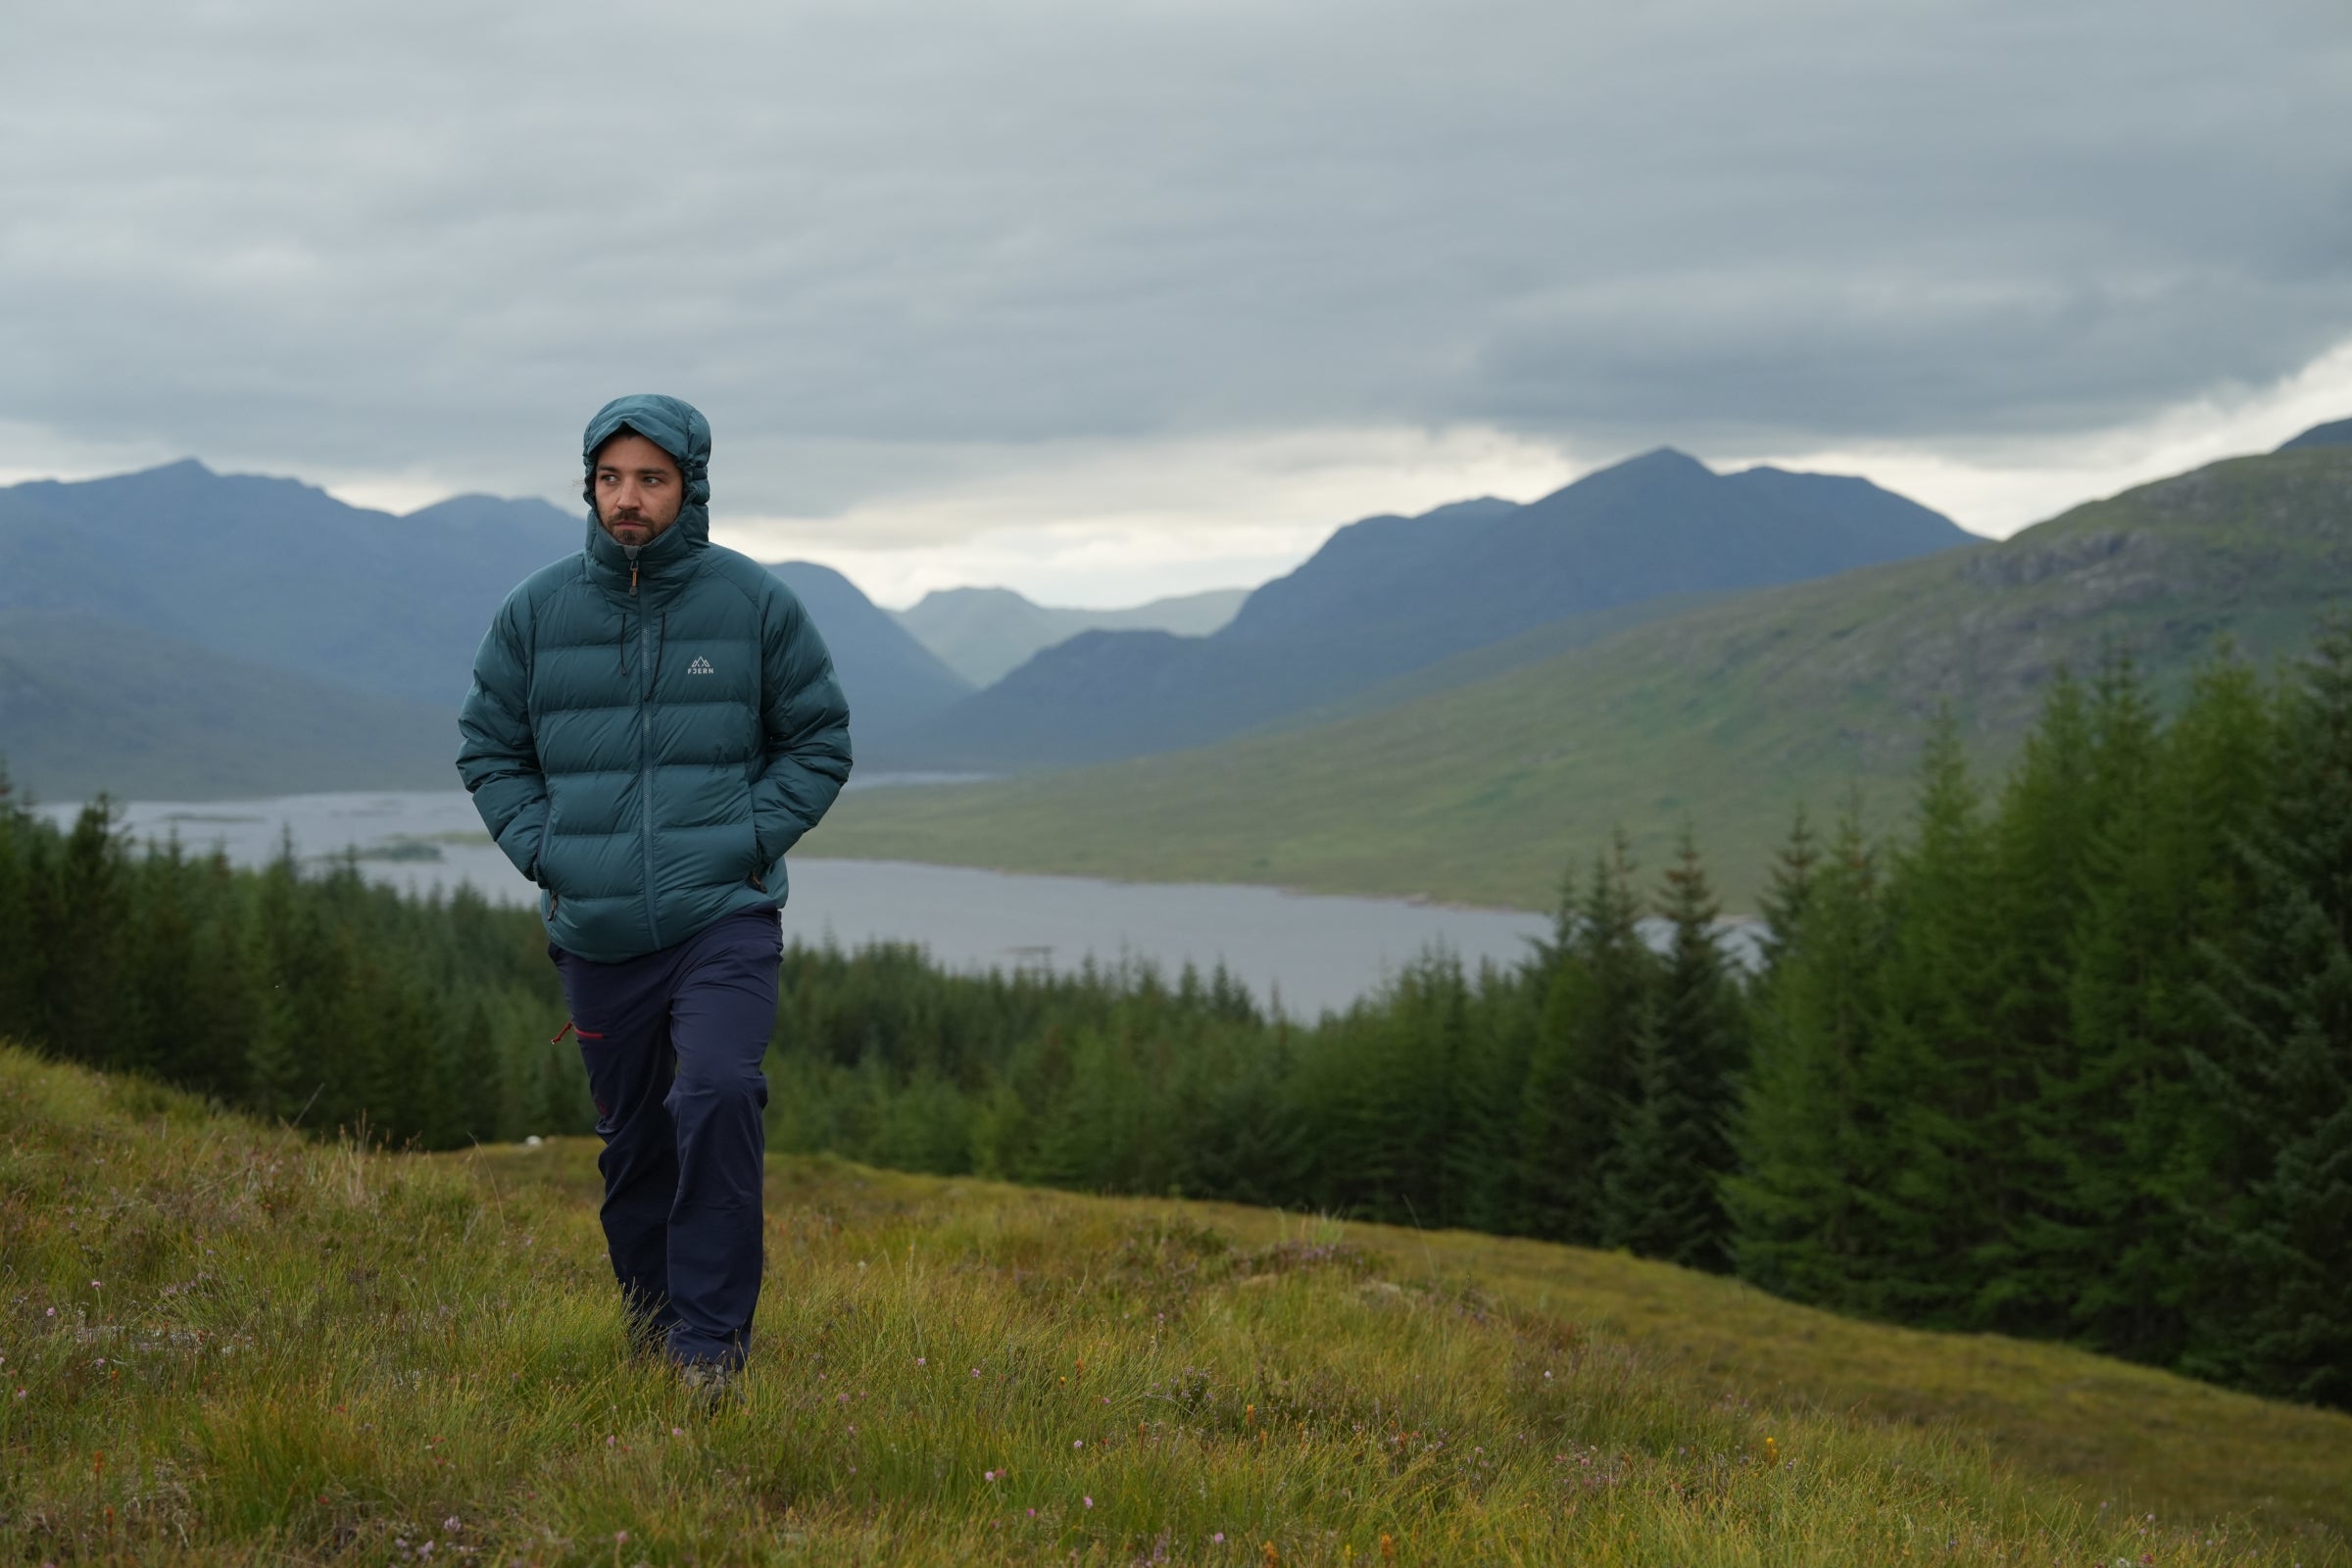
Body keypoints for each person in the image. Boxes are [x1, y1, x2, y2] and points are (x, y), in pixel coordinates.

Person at [457, 394, 852, 1403]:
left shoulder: (754, 604)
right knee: (635, 1147)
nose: (627, 499)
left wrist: (745, 842)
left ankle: (709, 1350)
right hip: (596, 930)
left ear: (691, 486)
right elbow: (489, 748)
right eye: (610, 478)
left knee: (717, 1092)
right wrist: (548, 853)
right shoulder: (536, 612)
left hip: (724, 916)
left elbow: (818, 740)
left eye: (651, 478)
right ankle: (652, 1331)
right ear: (589, 486)